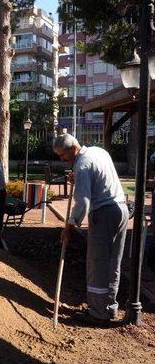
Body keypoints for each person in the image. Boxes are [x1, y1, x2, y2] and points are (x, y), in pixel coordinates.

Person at [53, 133, 128, 326]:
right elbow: (99, 180)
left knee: (97, 263)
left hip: (103, 214)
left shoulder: (82, 165)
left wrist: (69, 226)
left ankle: (97, 312)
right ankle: (110, 307)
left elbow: (83, 202)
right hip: (121, 209)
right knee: (113, 261)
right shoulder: (98, 152)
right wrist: (77, 179)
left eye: (62, 155)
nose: (62, 159)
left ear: (71, 149)